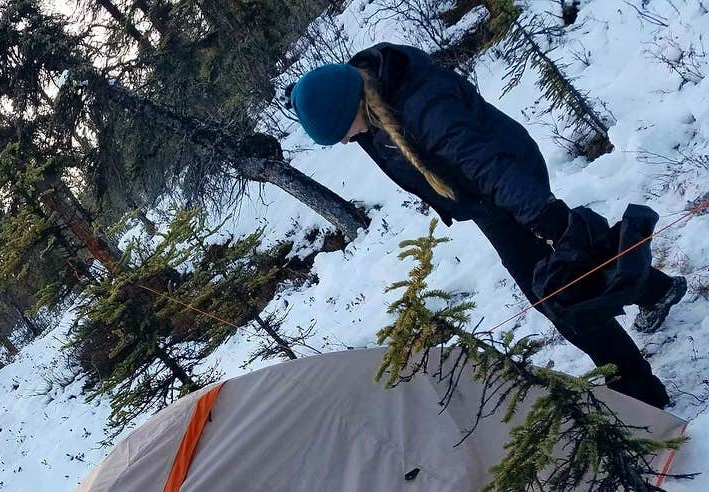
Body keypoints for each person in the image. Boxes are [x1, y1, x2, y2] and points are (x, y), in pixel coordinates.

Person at [286, 43, 687, 408]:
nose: (344, 143)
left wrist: (542, 214)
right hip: (484, 195)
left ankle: (639, 393)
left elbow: (484, 162)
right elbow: (325, 100)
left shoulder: (423, 109)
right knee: (570, 270)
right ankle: (656, 289)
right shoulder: (364, 90)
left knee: (558, 294)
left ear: (355, 105)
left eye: (343, 133)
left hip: (504, 184)